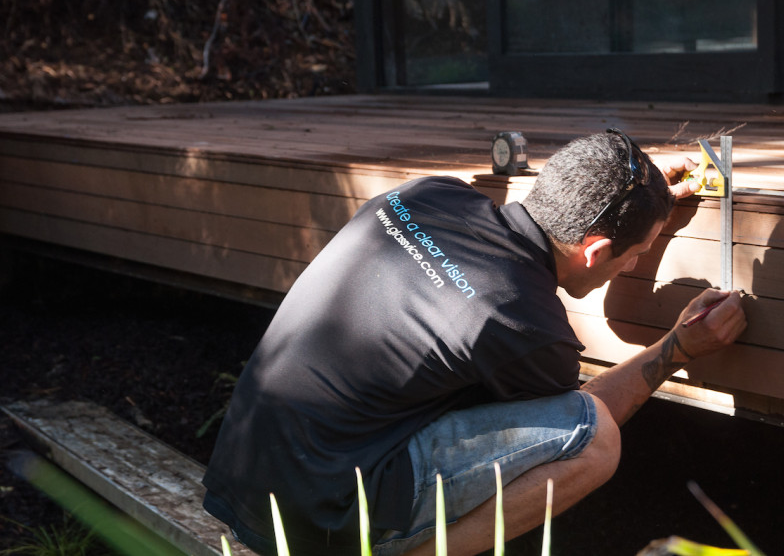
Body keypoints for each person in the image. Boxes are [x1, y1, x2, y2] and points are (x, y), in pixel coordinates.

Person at [201, 130, 747, 556]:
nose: (636, 264)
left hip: (246, 472)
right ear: (595, 250)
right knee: (594, 436)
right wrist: (677, 349)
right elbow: (577, 415)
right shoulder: (525, 325)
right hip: (319, 524)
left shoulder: (428, 192)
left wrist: (637, 189)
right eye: (636, 253)